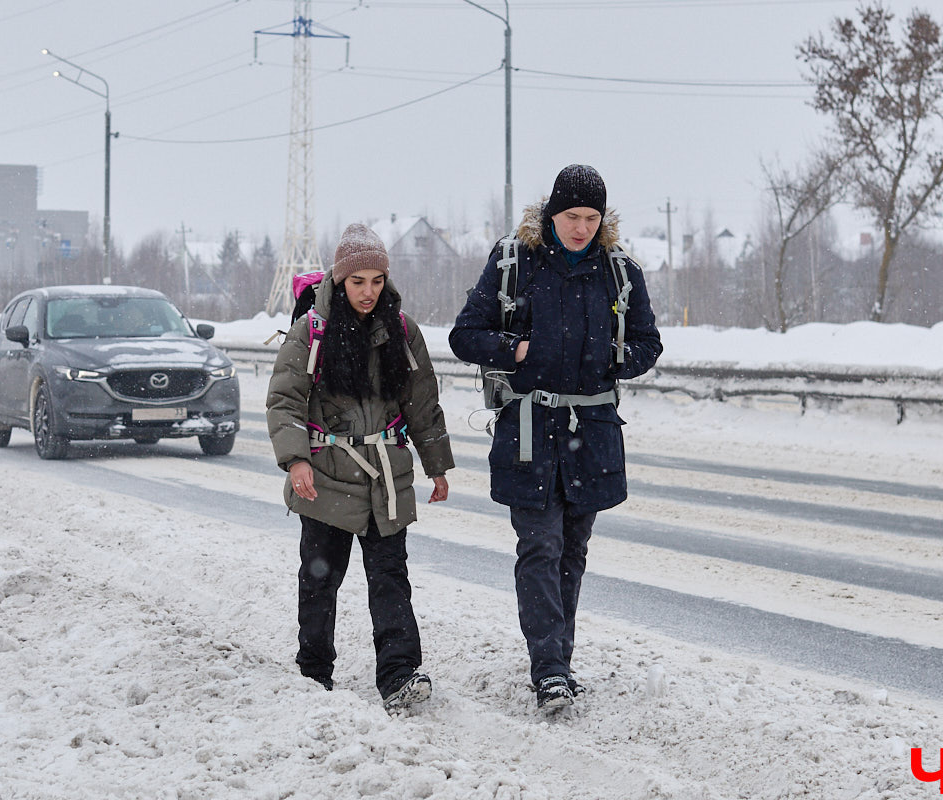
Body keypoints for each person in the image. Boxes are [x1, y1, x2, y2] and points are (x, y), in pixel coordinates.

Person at [449, 165, 662, 713]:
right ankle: (550, 671)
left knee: (572, 550)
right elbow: (464, 335)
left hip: (592, 432)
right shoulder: (514, 261)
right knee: (539, 547)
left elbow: (648, 343)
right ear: (552, 213)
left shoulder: (620, 271)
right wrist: (513, 351)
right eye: (572, 216)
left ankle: (558, 661)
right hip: (529, 430)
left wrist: (619, 358)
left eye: (592, 218)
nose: (581, 228)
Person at [266, 223, 455, 712]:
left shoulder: (402, 330)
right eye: (357, 282)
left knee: (391, 578)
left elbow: (423, 403)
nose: (367, 292)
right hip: (326, 476)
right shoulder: (313, 331)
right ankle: (313, 674)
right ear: (339, 280)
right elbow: (285, 400)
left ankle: (399, 675)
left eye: (376, 280)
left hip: (385, 478)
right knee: (320, 579)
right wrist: (295, 461)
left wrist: (437, 466)